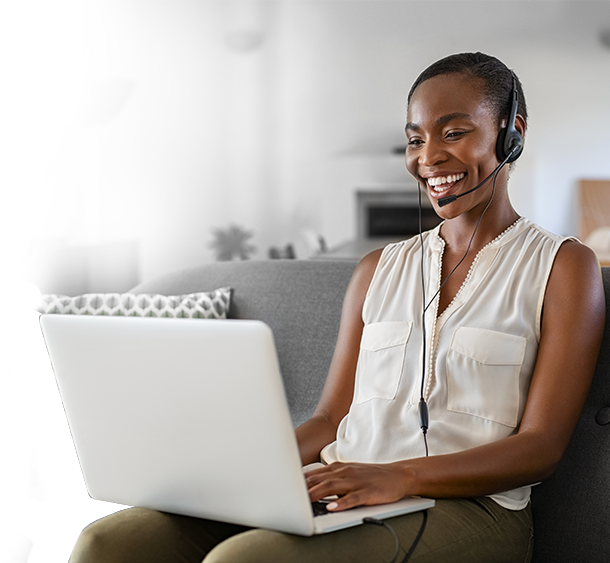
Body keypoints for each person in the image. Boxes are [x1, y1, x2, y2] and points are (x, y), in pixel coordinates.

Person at [69, 52, 605, 563]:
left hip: (472, 511)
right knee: (110, 546)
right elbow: (329, 419)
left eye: (454, 132)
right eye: (415, 140)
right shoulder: (376, 269)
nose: (429, 157)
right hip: (345, 486)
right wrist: (244, 472)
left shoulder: (563, 266)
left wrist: (402, 477)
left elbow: (541, 447)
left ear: (513, 133)